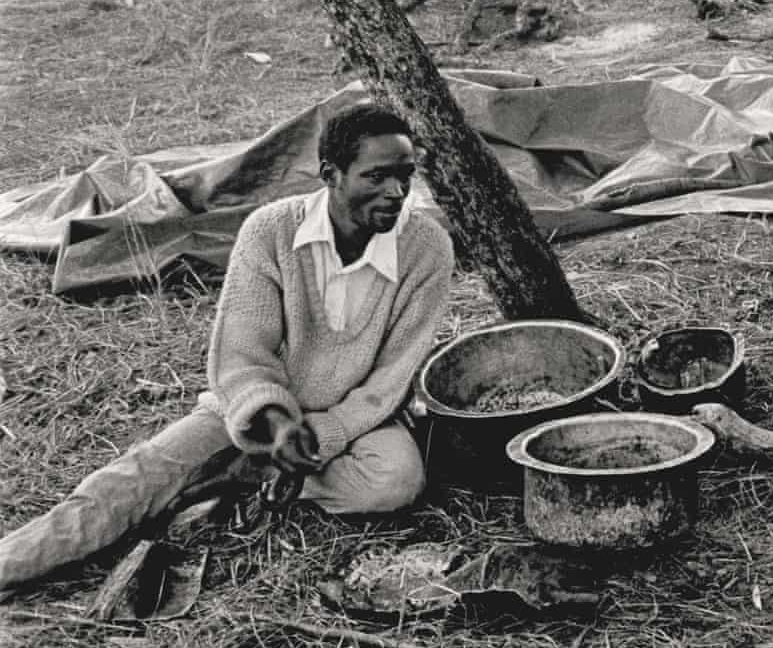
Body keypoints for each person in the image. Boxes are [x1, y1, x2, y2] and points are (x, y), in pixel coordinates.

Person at [0, 103, 452, 599]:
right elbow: (241, 354)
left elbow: (393, 375)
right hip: (256, 417)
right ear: (331, 174)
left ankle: (241, 471)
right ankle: (13, 562)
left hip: (355, 422)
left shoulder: (426, 247)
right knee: (136, 478)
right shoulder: (270, 231)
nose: (397, 192)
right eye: (377, 177)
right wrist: (277, 425)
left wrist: (321, 434)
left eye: (406, 175)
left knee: (396, 481)